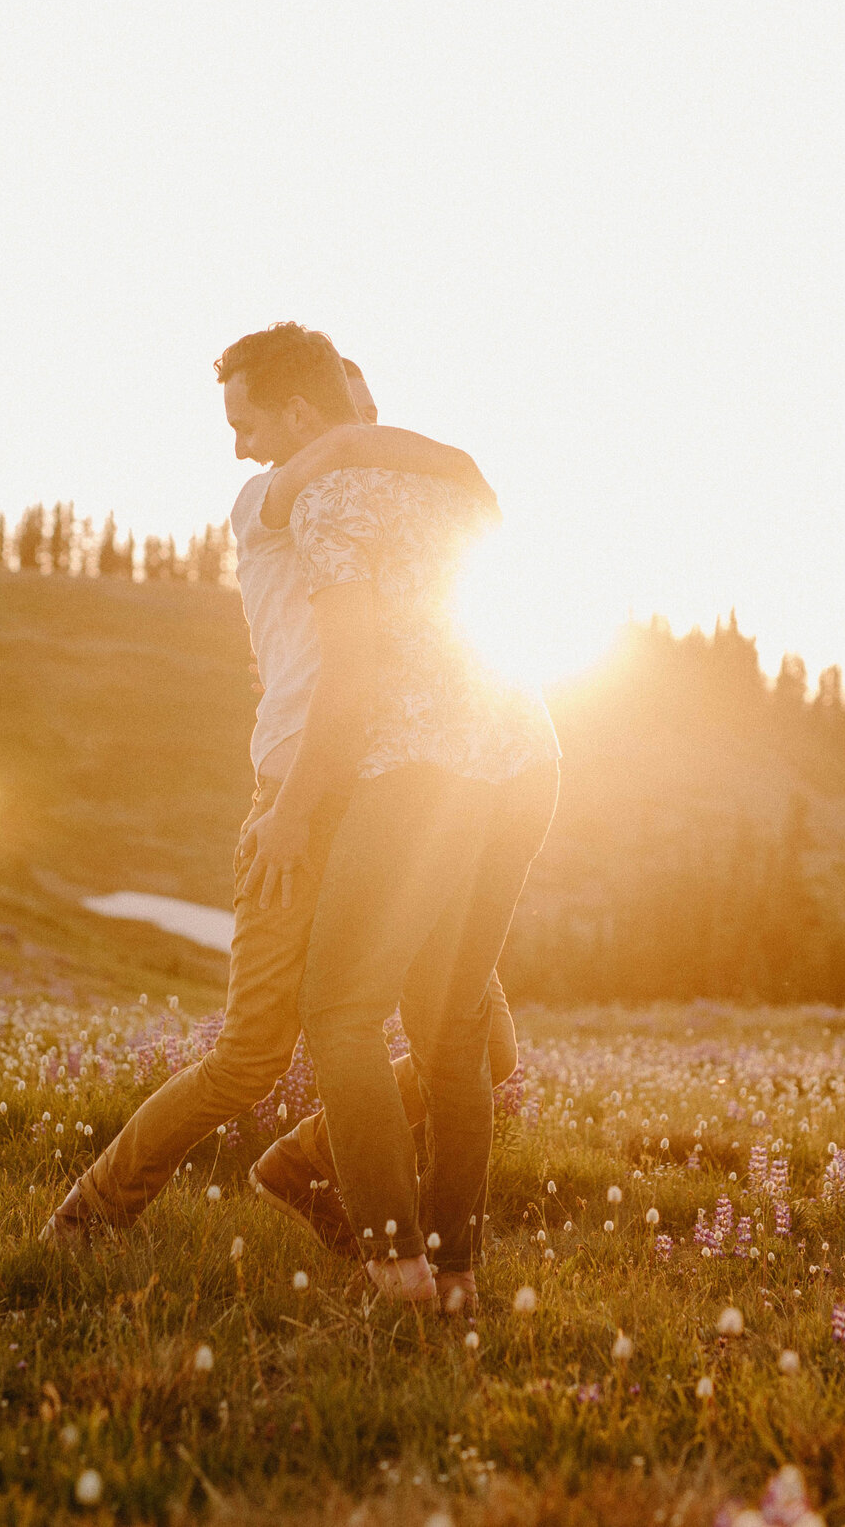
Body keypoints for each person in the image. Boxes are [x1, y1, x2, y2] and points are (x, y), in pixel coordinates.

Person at [42, 323, 516, 1246]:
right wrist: (358, 437)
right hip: (296, 794)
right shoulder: (266, 498)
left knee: (478, 1045)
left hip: (397, 799)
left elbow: (450, 485)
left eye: (244, 419)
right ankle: (90, 1211)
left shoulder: (380, 500)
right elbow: (368, 460)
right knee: (250, 1055)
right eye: (353, 420)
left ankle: (307, 1162)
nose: (236, 441)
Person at [244, 357, 560, 1310]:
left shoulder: (326, 501)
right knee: (453, 1028)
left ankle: (397, 1268)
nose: (240, 448)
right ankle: (456, 1273)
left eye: (247, 424)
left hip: (425, 771)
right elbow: (468, 483)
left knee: (339, 1009)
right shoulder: (445, 477)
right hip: (526, 756)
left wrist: (291, 811)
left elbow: (349, 686)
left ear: (302, 416)